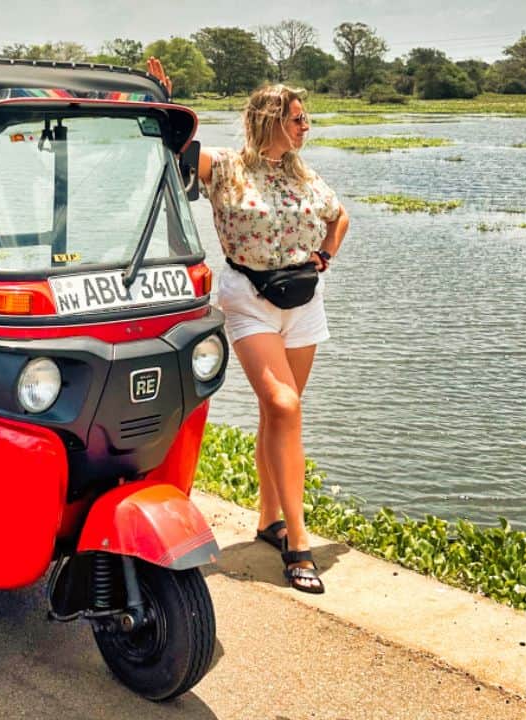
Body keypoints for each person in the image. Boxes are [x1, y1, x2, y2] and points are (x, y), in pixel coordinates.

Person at [148, 58, 350, 593]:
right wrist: (159, 100)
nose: (306, 127)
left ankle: (268, 520)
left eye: (306, 119)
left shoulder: (303, 175)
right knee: (284, 405)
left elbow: (339, 217)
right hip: (249, 297)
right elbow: (170, 148)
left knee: (278, 414)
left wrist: (325, 257)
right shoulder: (226, 167)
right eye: (298, 119)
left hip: (303, 301)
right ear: (270, 120)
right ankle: (298, 543)